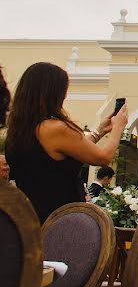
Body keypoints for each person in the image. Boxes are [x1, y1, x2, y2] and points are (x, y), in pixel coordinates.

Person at [5, 62, 129, 222]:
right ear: (53, 93)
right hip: (60, 219)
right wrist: (118, 128)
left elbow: (61, 155)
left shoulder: (19, 130)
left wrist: (99, 132)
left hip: (29, 217)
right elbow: (103, 157)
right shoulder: (55, 128)